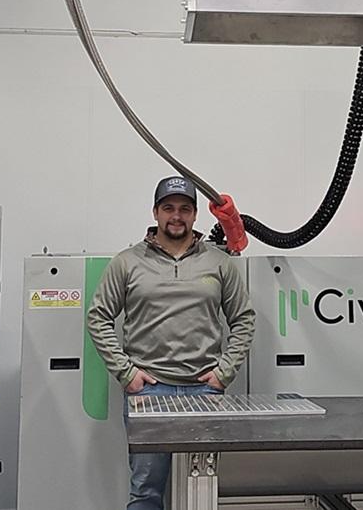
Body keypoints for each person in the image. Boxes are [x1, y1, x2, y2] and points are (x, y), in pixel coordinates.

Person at [88, 176, 256, 510]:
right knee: (146, 491)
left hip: (205, 393)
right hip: (149, 394)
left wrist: (224, 373)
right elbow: (98, 318)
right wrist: (126, 373)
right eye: (168, 208)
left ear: (195, 215)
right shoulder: (127, 262)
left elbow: (244, 319)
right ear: (155, 212)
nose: (176, 216)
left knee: (203, 489)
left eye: (184, 209)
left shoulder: (218, 262)